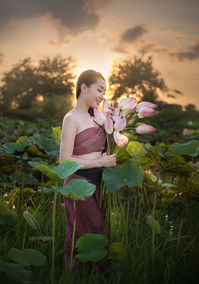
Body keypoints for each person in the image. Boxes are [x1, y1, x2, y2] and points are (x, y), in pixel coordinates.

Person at [59, 69, 116, 268]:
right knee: (87, 230)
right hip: (77, 183)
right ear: (84, 87)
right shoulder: (71, 118)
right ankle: (72, 275)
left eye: (104, 92)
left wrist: (111, 122)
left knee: (91, 231)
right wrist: (100, 162)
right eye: (99, 90)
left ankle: (92, 275)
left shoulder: (96, 118)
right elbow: (64, 161)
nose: (102, 96)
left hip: (95, 182)